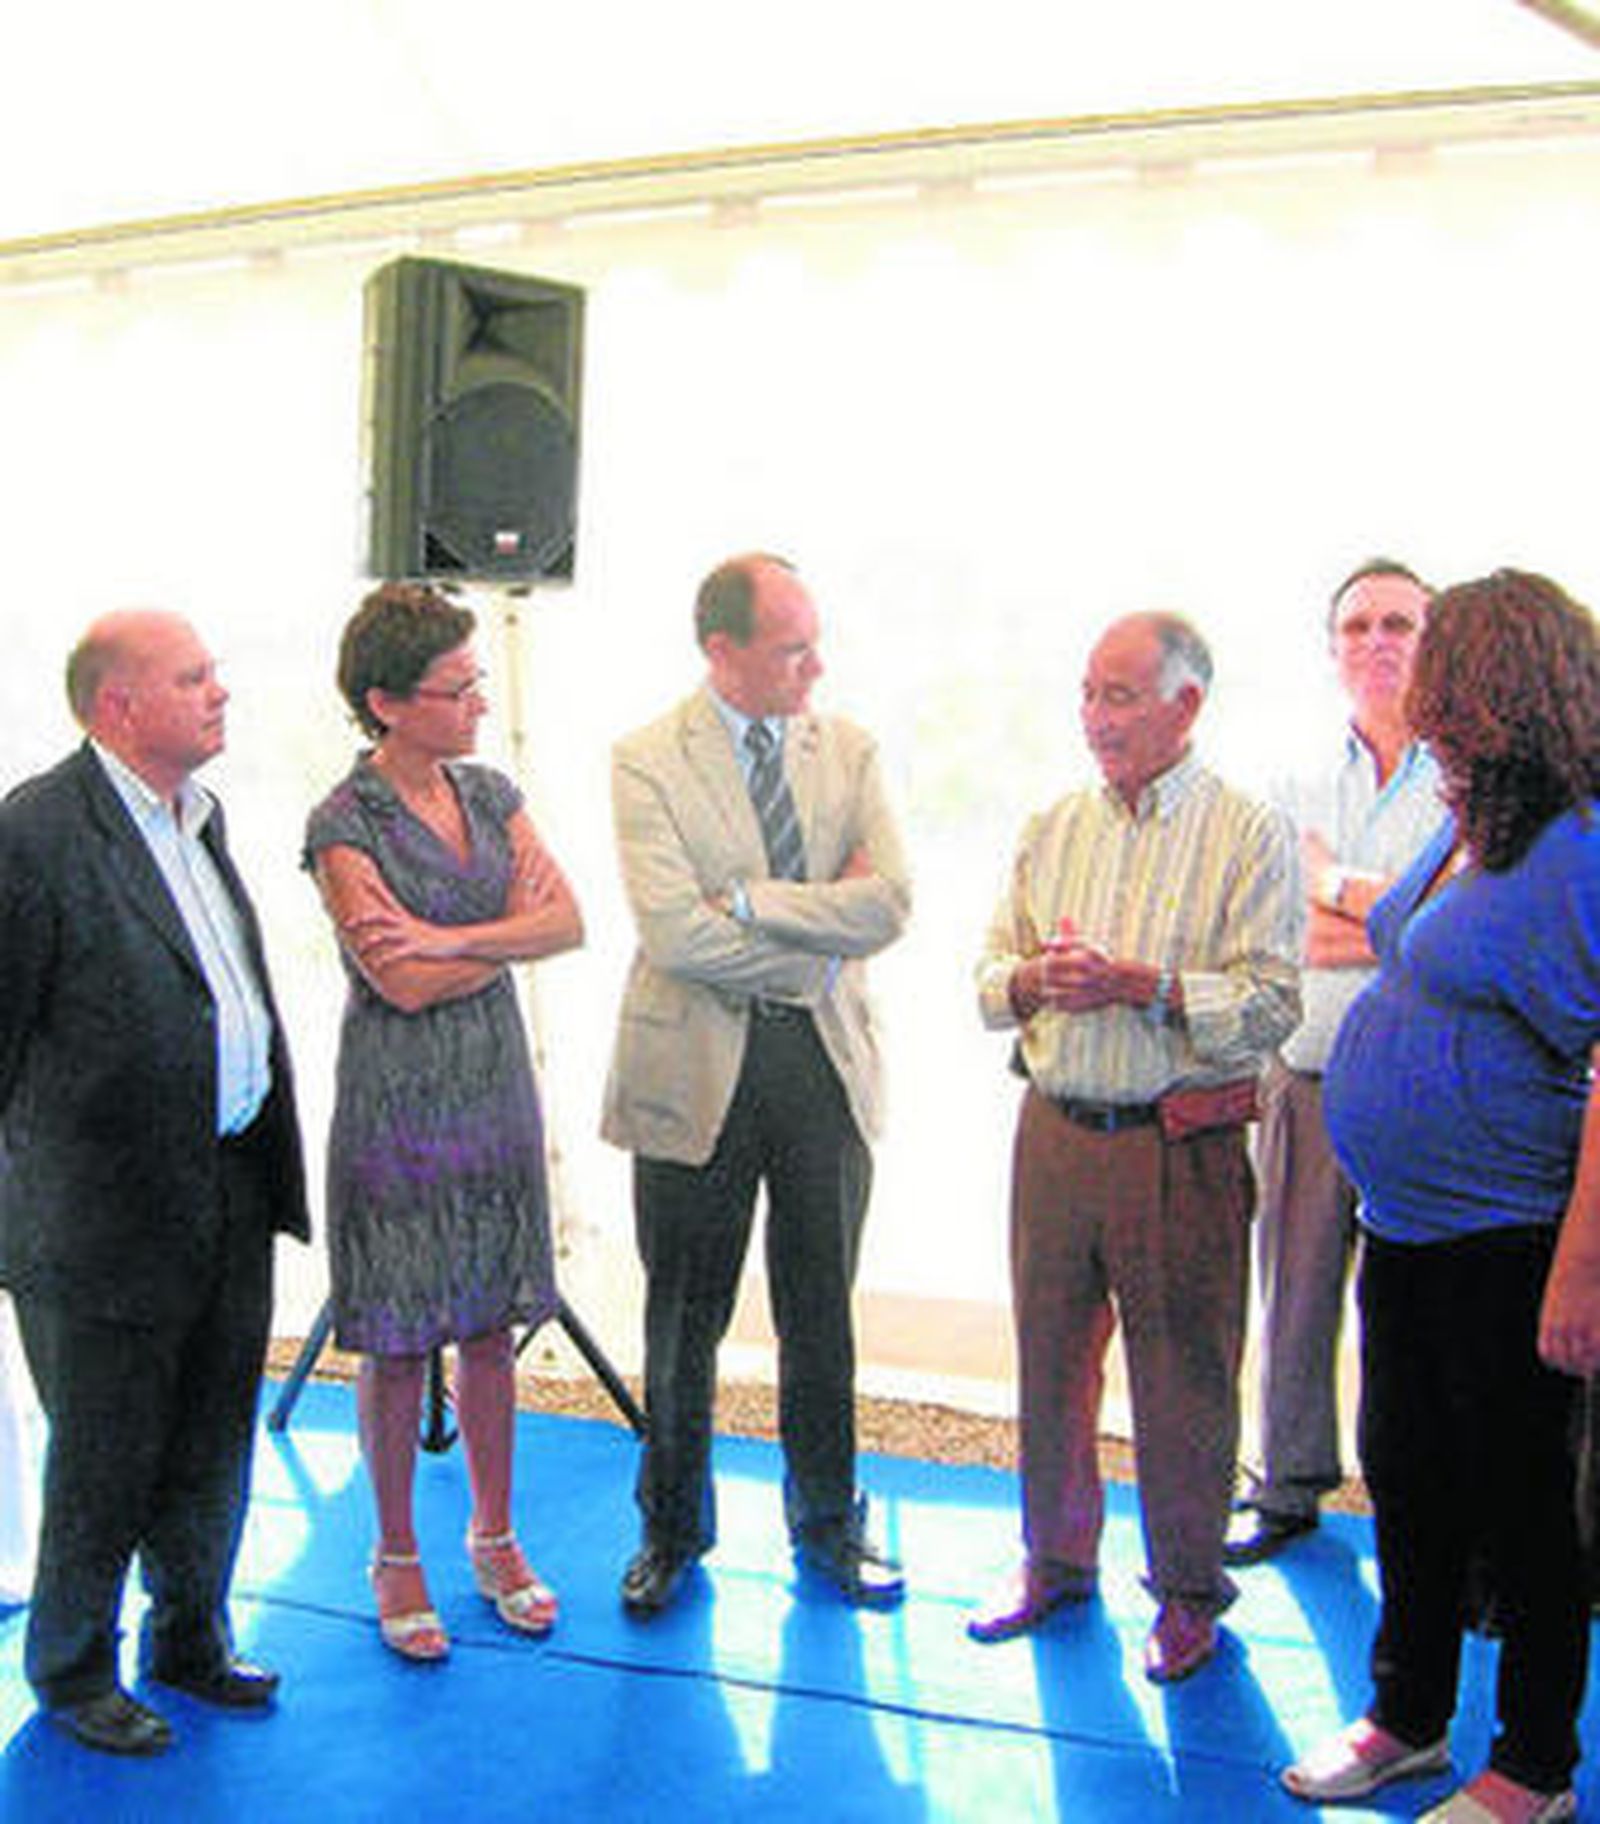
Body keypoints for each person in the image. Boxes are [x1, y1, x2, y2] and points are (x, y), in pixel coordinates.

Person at [1282, 569, 1600, 1824]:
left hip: (1507, 1235)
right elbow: (1395, 936)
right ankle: (1407, 1716)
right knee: (1404, 1467)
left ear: (1498, 681)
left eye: (1438, 660)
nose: (1412, 683)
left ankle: (1532, 1768)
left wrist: (1580, 1273)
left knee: (1522, 1505)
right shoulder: (1475, 818)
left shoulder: (1578, 844)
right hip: (1406, 1226)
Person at [969, 612, 1300, 1683]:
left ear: (1185, 705)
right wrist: (1030, 982)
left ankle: (1189, 1593)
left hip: (1177, 1147)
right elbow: (987, 968)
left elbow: (1272, 1007)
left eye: (1119, 697)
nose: (1095, 719)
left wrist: (1145, 989)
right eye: (1087, 694)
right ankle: (1054, 1562)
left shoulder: (1249, 833)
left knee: (1184, 1380)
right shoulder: (1051, 823)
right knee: (1049, 1364)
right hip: (1055, 1132)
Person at [0, 610, 310, 1756]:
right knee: (104, 1451)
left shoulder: (201, 820)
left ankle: (190, 1634)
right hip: (96, 1219)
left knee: (211, 1434)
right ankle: (76, 1667)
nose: (220, 692)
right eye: (193, 679)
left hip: (224, 1183)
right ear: (119, 706)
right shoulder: (34, 834)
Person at [602, 552, 912, 1617]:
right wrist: (810, 934)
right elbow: (674, 936)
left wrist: (747, 903)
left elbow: (889, 906)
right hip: (691, 1069)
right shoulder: (645, 758)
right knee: (681, 1317)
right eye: (791, 649)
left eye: (816, 642)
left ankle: (829, 1522)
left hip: (820, 1064)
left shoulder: (851, 749)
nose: (814, 667)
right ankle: (671, 1532)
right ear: (720, 652)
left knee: (820, 1307)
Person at [304, 582, 583, 1662]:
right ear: (386, 702)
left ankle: (496, 1533)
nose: (475, 702)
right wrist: (490, 941)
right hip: (397, 1100)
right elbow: (395, 981)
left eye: (476, 682)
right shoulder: (341, 822)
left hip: (493, 1089)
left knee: (487, 1326)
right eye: (453, 687)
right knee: (396, 1335)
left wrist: (448, 938)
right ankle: (393, 1552)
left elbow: (565, 922)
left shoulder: (492, 791)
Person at [1225, 560, 1445, 1565]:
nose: (1375, 642)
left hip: (1428, 1084)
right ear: (1330, 647)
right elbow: (1289, 933)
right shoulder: (1292, 779)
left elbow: (1456, 931)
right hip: (1306, 1071)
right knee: (1297, 1284)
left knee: (1423, 1311)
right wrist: (1398, 908)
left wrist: (1339, 887)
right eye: (1354, 626)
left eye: (1396, 623)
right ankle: (1286, 1483)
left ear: (1431, 639)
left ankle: (1441, 1506)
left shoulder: (1471, 774)